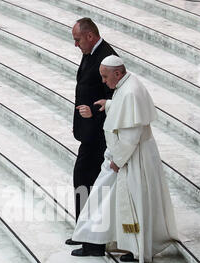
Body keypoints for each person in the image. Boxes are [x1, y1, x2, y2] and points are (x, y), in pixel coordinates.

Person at [71, 55, 178, 263]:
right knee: (108, 202)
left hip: (131, 160)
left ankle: (129, 247)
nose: (103, 81)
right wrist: (109, 104)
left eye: (105, 76)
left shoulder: (130, 91)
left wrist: (118, 160)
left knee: (129, 205)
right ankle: (108, 243)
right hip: (128, 157)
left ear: (117, 73)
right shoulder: (128, 84)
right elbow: (126, 110)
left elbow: (130, 135)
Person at [65, 18, 117, 246]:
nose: (76, 45)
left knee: (85, 177)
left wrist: (94, 115)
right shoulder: (91, 53)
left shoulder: (106, 57)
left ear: (89, 36)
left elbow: (113, 97)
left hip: (98, 134)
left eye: (78, 40)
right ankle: (83, 229)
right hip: (89, 132)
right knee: (84, 179)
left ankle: (87, 232)